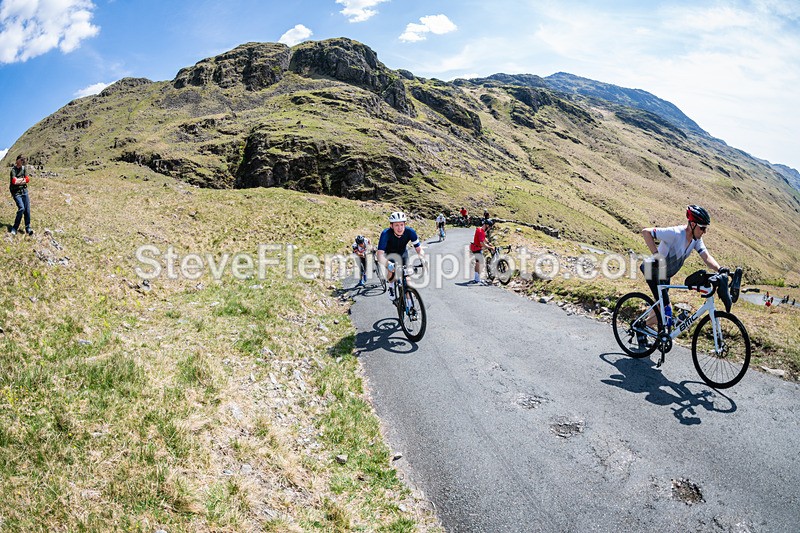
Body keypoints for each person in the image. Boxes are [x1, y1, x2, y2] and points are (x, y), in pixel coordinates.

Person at [640, 205, 723, 327]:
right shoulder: (675, 233)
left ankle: (644, 330)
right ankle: (642, 326)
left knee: (659, 306)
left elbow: (707, 257)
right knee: (666, 309)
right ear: (693, 224)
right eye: (702, 228)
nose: (704, 232)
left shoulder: (696, 239)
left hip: (665, 274)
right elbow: (646, 232)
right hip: (652, 270)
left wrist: (720, 269)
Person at [376, 212, 425, 299]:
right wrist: (388, 264)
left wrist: (423, 259)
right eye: (396, 225)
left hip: (402, 253)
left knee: (407, 278)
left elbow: (419, 249)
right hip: (389, 254)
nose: (400, 228)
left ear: (404, 224)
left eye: (402, 225)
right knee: (392, 272)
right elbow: (379, 255)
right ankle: (391, 286)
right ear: (391, 226)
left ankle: (410, 304)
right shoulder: (386, 234)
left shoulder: (410, 232)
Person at [9, 155, 33, 236]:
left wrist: (21, 180)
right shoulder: (13, 170)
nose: (22, 161)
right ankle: (15, 228)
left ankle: (28, 228)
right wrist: (22, 180)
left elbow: (27, 179)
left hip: (24, 191)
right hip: (16, 192)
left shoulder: (24, 169)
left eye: (23, 160)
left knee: (27, 210)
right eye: (21, 159)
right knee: (21, 208)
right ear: (17, 160)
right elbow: (14, 181)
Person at [469, 218, 495, 284]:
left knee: (478, 263)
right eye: (489, 227)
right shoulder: (481, 232)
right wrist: (490, 247)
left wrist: (488, 243)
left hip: (475, 247)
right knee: (480, 263)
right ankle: (477, 279)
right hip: (477, 248)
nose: (489, 229)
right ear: (487, 225)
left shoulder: (480, 229)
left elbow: (484, 238)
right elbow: (482, 243)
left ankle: (477, 278)